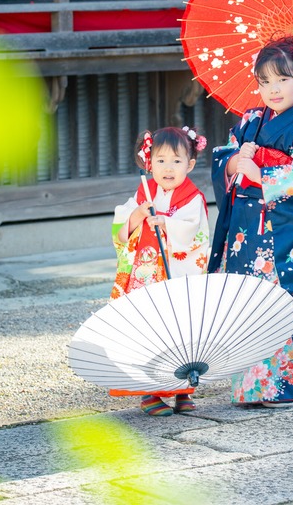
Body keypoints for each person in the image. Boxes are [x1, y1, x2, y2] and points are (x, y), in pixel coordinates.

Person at [209, 34, 293, 408]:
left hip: (284, 232)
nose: (272, 89)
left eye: (282, 79)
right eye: (264, 81)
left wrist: (260, 174)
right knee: (246, 302)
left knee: (282, 301)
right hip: (246, 230)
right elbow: (225, 154)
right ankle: (252, 386)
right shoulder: (251, 120)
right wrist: (234, 162)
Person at [108, 125, 210, 416]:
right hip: (148, 278)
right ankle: (150, 392)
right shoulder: (144, 192)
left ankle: (181, 391)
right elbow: (120, 227)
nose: (168, 168)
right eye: (161, 160)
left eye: (176, 161)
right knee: (151, 329)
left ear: (189, 165)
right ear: (148, 162)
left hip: (178, 275)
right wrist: (138, 214)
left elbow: (196, 233)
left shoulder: (192, 198)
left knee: (182, 331)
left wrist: (167, 224)